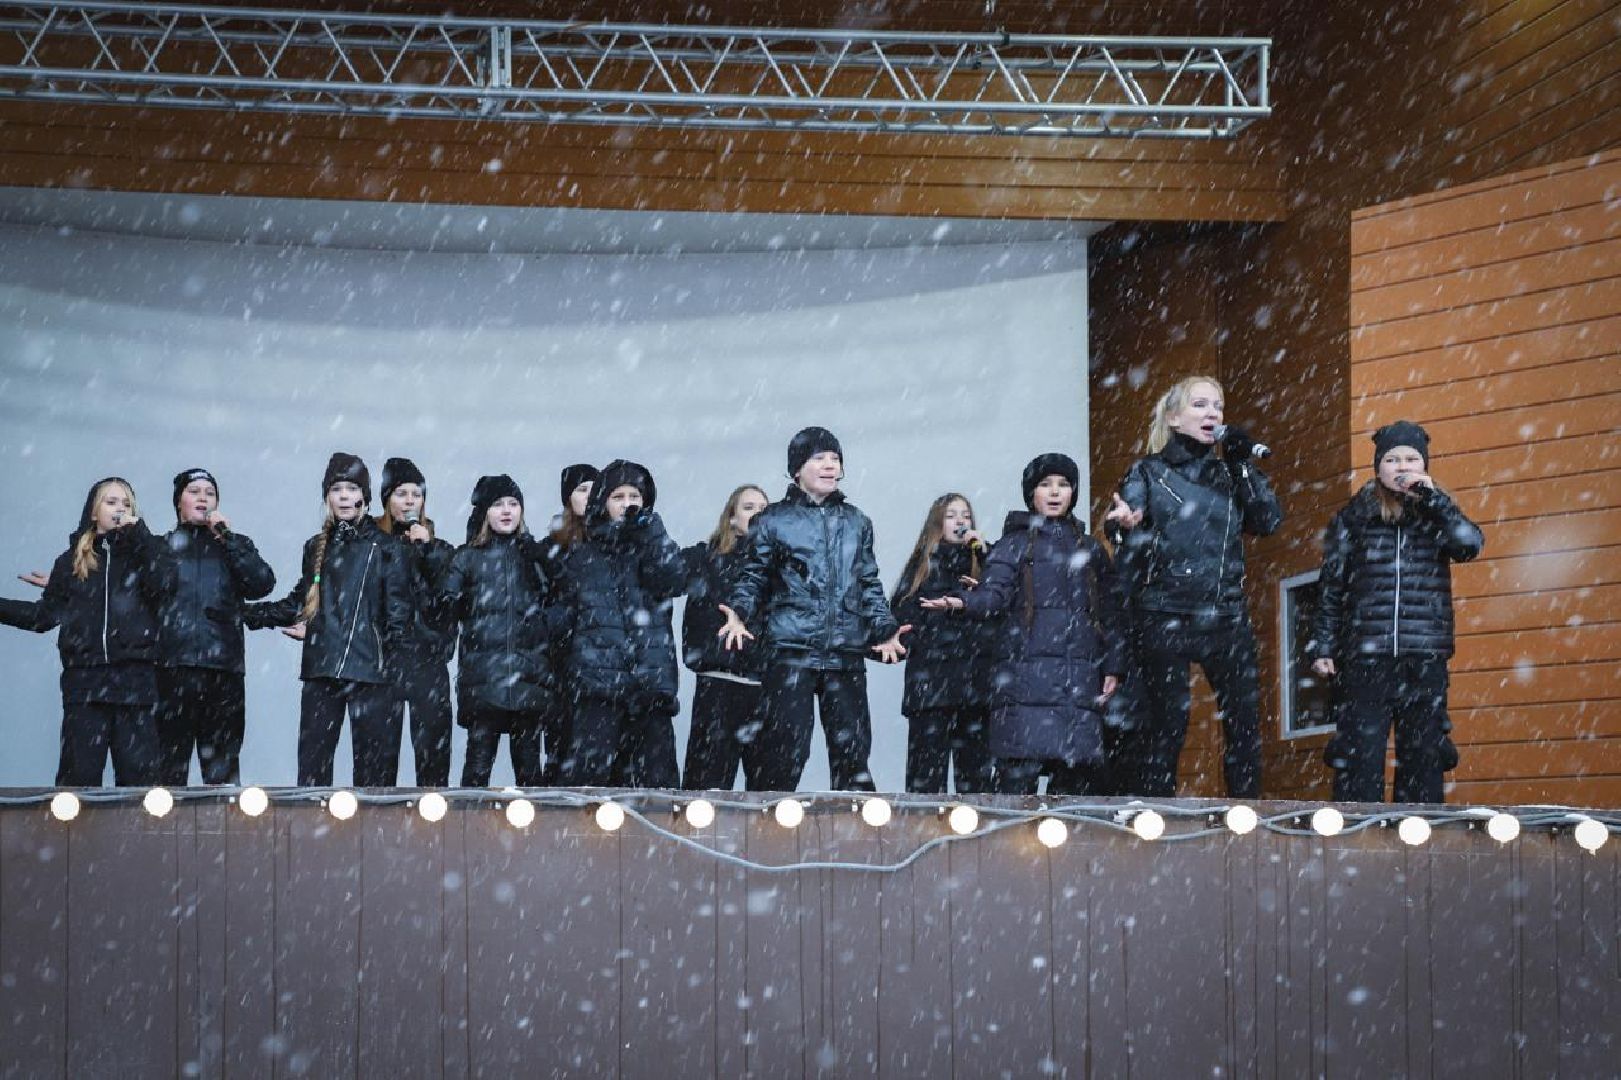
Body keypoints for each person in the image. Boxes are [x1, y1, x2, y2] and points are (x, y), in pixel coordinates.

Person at [1105, 375, 1283, 798]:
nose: (1212, 414)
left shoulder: (1229, 472)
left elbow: (1268, 521)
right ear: (1173, 418)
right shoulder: (1149, 471)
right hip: (1164, 611)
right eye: (1200, 405)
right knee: (1167, 723)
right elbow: (1124, 529)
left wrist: (1241, 463)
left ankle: (1246, 812)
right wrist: (1125, 526)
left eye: (1217, 406)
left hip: (1225, 613)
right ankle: (1156, 812)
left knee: (1244, 722)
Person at [720, 427, 909, 792]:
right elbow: (753, 577)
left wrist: (885, 628)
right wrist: (739, 612)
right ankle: (771, 815)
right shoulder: (772, 520)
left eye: (835, 459)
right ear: (797, 470)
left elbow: (868, 583)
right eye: (819, 458)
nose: (829, 465)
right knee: (786, 749)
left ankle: (855, 819)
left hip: (844, 651)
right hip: (791, 650)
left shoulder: (857, 522)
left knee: (853, 751)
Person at [921, 456, 1124, 794]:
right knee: (1015, 798)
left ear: (1073, 492)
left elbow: (1112, 613)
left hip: (1076, 686)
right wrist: (960, 603)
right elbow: (993, 595)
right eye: (1045, 485)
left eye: (1063, 485)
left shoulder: (1090, 549)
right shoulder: (1013, 545)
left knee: (1073, 796)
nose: (1055, 492)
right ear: (1032, 494)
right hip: (1024, 685)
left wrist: (1114, 665)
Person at [1308, 421, 1483, 803]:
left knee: (1423, 756)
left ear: (1424, 465)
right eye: (1392, 459)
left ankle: (1418, 832)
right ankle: (1358, 832)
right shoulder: (1355, 516)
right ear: (1378, 467)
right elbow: (1332, 585)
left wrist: (1434, 501)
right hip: (1366, 655)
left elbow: (1469, 545)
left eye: (1411, 458)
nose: (1402, 466)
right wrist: (1324, 644)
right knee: (1360, 755)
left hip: (1424, 654)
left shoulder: (1437, 514)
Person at [244, 453, 412, 787]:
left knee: (374, 779)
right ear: (327, 497)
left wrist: (393, 670)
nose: (344, 496)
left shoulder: (387, 547)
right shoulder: (315, 546)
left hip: (372, 675)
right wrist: (247, 613)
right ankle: (313, 822)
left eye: (352, 489)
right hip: (322, 670)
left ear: (364, 496)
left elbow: (398, 616)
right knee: (312, 772)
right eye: (337, 489)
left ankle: (369, 823)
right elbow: (299, 601)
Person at [0, 477, 175, 785]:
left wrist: (141, 536)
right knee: (78, 780)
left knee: (141, 783)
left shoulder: (148, 552)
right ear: (94, 512)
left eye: (127, 504)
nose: (120, 509)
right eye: (111, 502)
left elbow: (165, 586)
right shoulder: (70, 562)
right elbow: (44, 617)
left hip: (135, 685)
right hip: (85, 685)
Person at [551, 459, 686, 787]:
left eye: (635, 496)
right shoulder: (581, 555)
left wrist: (652, 533)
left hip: (650, 687)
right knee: (588, 788)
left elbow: (674, 580)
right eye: (619, 497)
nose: (628, 504)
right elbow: (564, 619)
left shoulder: (655, 544)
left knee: (659, 790)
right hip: (599, 688)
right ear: (603, 503)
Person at [156, 468, 276, 785]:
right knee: (167, 771)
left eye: (210, 493)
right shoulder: (161, 547)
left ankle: (225, 819)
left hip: (223, 672)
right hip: (172, 670)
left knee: (223, 773)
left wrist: (228, 539)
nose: (203, 498)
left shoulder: (234, 544)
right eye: (194, 491)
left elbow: (262, 583)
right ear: (178, 502)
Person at [439, 474, 556, 787]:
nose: (506, 510)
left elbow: (561, 599)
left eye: (513, 504)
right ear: (484, 513)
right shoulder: (466, 558)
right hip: (484, 683)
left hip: (529, 682)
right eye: (498, 504)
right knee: (477, 771)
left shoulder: (535, 557)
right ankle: (469, 821)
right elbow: (445, 608)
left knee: (530, 774)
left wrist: (542, 558)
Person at [890, 492, 995, 794]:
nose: (960, 521)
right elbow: (901, 619)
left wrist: (985, 556)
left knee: (975, 784)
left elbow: (1002, 607)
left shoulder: (986, 564)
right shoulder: (921, 567)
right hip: (930, 690)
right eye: (951, 516)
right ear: (937, 524)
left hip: (975, 690)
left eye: (965, 515)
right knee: (925, 782)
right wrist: (924, 637)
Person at [679, 484, 770, 790]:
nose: (757, 514)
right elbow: (663, 572)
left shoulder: (781, 566)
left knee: (770, 795)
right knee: (705, 791)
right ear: (731, 518)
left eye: (763, 509)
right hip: (717, 686)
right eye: (748, 507)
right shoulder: (706, 558)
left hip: (764, 689)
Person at [374, 457, 456, 786]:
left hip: (428, 660)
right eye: (401, 494)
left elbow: (449, 597)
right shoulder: (374, 547)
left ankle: (434, 817)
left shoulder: (440, 549)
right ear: (386, 499)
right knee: (378, 761)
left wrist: (426, 549)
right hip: (384, 662)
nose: (410, 501)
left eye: (417, 494)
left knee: (434, 761)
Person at [538, 463, 599, 782]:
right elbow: (542, 606)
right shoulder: (552, 547)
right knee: (561, 751)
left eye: (595, 489)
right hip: (562, 666)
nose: (589, 496)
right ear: (568, 498)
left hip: (602, 665)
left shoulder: (615, 543)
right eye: (582, 489)